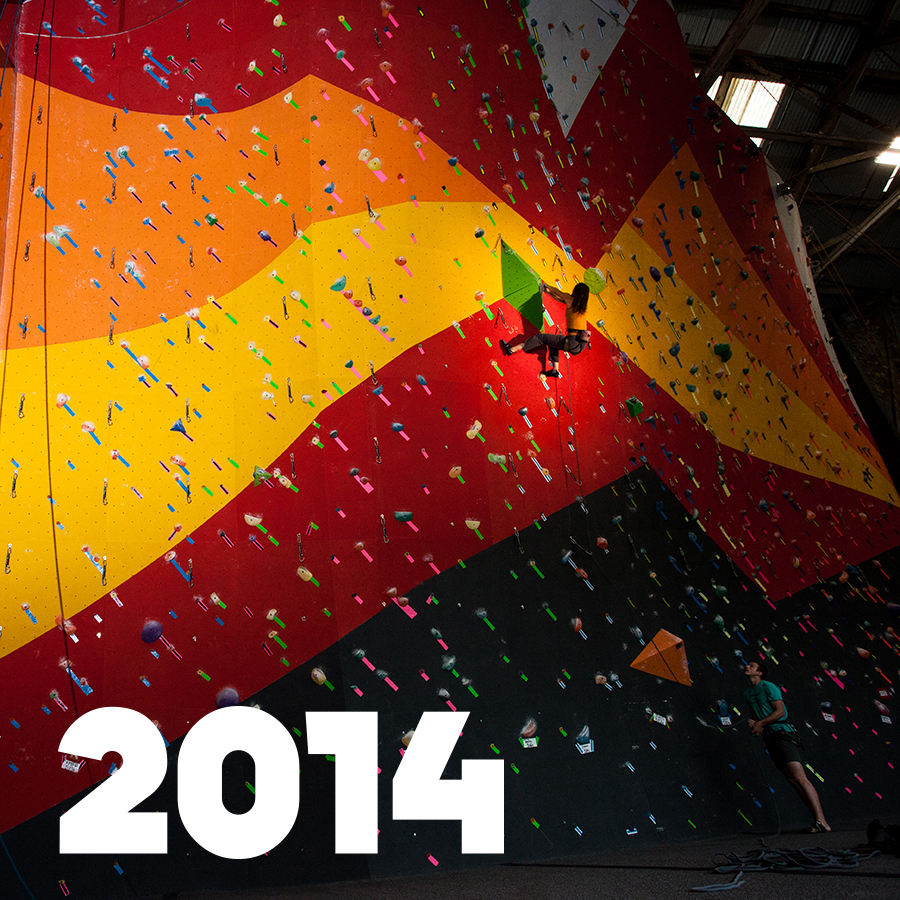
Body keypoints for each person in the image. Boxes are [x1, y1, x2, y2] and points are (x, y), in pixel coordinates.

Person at [743, 661, 830, 833]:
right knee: (791, 779)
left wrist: (761, 722)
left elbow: (780, 712)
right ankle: (816, 820)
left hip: (783, 734)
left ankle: (822, 821)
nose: (747, 667)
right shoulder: (747, 693)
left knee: (800, 777)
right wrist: (755, 724)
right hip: (770, 737)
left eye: (752, 666)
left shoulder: (768, 687)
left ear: (760, 673)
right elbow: (758, 716)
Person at [500, 281, 591, 378]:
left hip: (572, 341)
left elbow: (558, 292)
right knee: (553, 342)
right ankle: (555, 370)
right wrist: (548, 292)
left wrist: (546, 285)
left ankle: (512, 349)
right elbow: (559, 298)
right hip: (581, 345)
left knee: (541, 337)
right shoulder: (582, 308)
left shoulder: (570, 299)